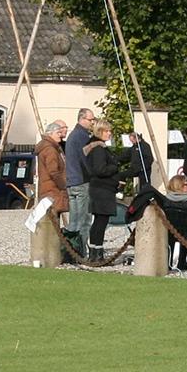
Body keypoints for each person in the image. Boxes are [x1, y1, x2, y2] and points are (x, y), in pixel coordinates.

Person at [82, 119, 121, 262]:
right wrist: (115, 167)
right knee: (100, 222)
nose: (110, 133)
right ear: (100, 132)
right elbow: (99, 169)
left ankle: (96, 251)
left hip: (101, 188)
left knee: (100, 221)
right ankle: (96, 253)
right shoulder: (98, 149)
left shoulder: (98, 147)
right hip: (101, 189)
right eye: (107, 131)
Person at [64, 107, 94, 251]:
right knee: (84, 220)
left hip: (71, 181)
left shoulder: (72, 135)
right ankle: (80, 250)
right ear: (82, 119)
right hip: (81, 181)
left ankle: (71, 249)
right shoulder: (82, 136)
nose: (92, 123)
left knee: (73, 221)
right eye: (90, 120)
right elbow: (86, 160)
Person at [35, 120, 69, 221]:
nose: (60, 135)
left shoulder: (50, 147)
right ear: (50, 134)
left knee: (52, 220)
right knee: (53, 221)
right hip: (53, 189)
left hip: (48, 188)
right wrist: (63, 185)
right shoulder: (50, 150)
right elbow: (53, 171)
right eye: (58, 133)